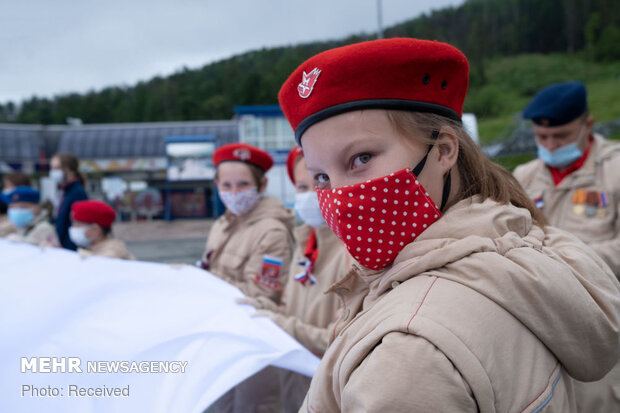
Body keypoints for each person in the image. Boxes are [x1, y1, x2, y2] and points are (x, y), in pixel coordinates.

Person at [277, 38, 620, 412]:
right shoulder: (504, 227)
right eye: (321, 177)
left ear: (443, 151)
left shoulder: (408, 354)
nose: (341, 197)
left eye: (361, 158)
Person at [514, 81, 620, 412]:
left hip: (605, 325)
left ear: (587, 125)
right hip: (545, 327)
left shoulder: (615, 170)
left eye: (560, 136)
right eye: (541, 138)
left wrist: (558, 259)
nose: (550, 145)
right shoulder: (524, 176)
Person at [238, 146, 352, 413]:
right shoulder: (305, 244)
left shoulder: (352, 251)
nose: (310, 194)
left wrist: (278, 323)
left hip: (330, 394)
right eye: (301, 187)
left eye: (321, 182)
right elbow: (291, 308)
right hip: (296, 387)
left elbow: (340, 339)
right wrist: (263, 310)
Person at [203, 142, 296, 413]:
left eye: (243, 185)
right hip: (221, 335)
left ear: (262, 184)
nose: (234, 193)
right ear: (217, 183)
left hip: (253, 342)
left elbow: (263, 294)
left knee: (252, 405)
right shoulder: (221, 225)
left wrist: (203, 284)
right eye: (226, 185)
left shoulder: (272, 232)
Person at [70, 200, 135, 260]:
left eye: (78, 224)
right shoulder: (95, 248)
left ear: (96, 229)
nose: (73, 228)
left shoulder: (111, 253)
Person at [50, 152, 88, 251]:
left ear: (70, 170)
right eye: (52, 168)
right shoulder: (64, 190)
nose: (53, 172)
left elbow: (77, 224)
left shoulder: (77, 192)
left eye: (57, 168)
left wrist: (67, 247)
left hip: (70, 248)